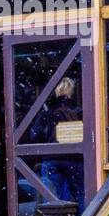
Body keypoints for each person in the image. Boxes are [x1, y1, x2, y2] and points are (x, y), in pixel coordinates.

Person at [36, 77, 85, 205]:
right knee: (81, 195)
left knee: (53, 199)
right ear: (72, 91)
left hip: (52, 158)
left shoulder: (48, 112)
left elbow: (35, 135)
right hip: (74, 158)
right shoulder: (78, 111)